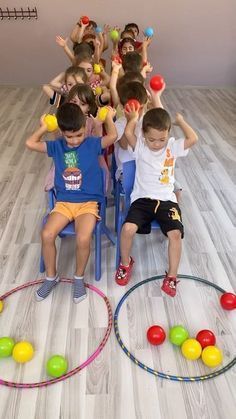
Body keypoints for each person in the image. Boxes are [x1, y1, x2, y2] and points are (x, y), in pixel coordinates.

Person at [26, 103, 117, 303]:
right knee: (47, 234)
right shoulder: (56, 146)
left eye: (79, 134)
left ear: (85, 127)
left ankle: (78, 278)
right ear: (60, 131)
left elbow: (112, 137)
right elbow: (30, 143)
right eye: (69, 136)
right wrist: (44, 127)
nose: (75, 140)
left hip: (88, 204)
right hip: (65, 203)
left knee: (83, 238)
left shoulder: (92, 143)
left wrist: (108, 118)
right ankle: (51, 277)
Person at [115, 106, 198, 296]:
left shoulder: (172, 147)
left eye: (161, 139)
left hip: (167, 201)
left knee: (175, 234)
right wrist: (134, 118)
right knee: (127, 229)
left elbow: (193, 139)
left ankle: (171, 277)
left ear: (168, 134)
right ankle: (126, 263)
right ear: (143, 135)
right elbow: (128, 132)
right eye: (151, 139)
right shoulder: (140, 147)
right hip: (142, 200)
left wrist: (181, 121)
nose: (157, 144)